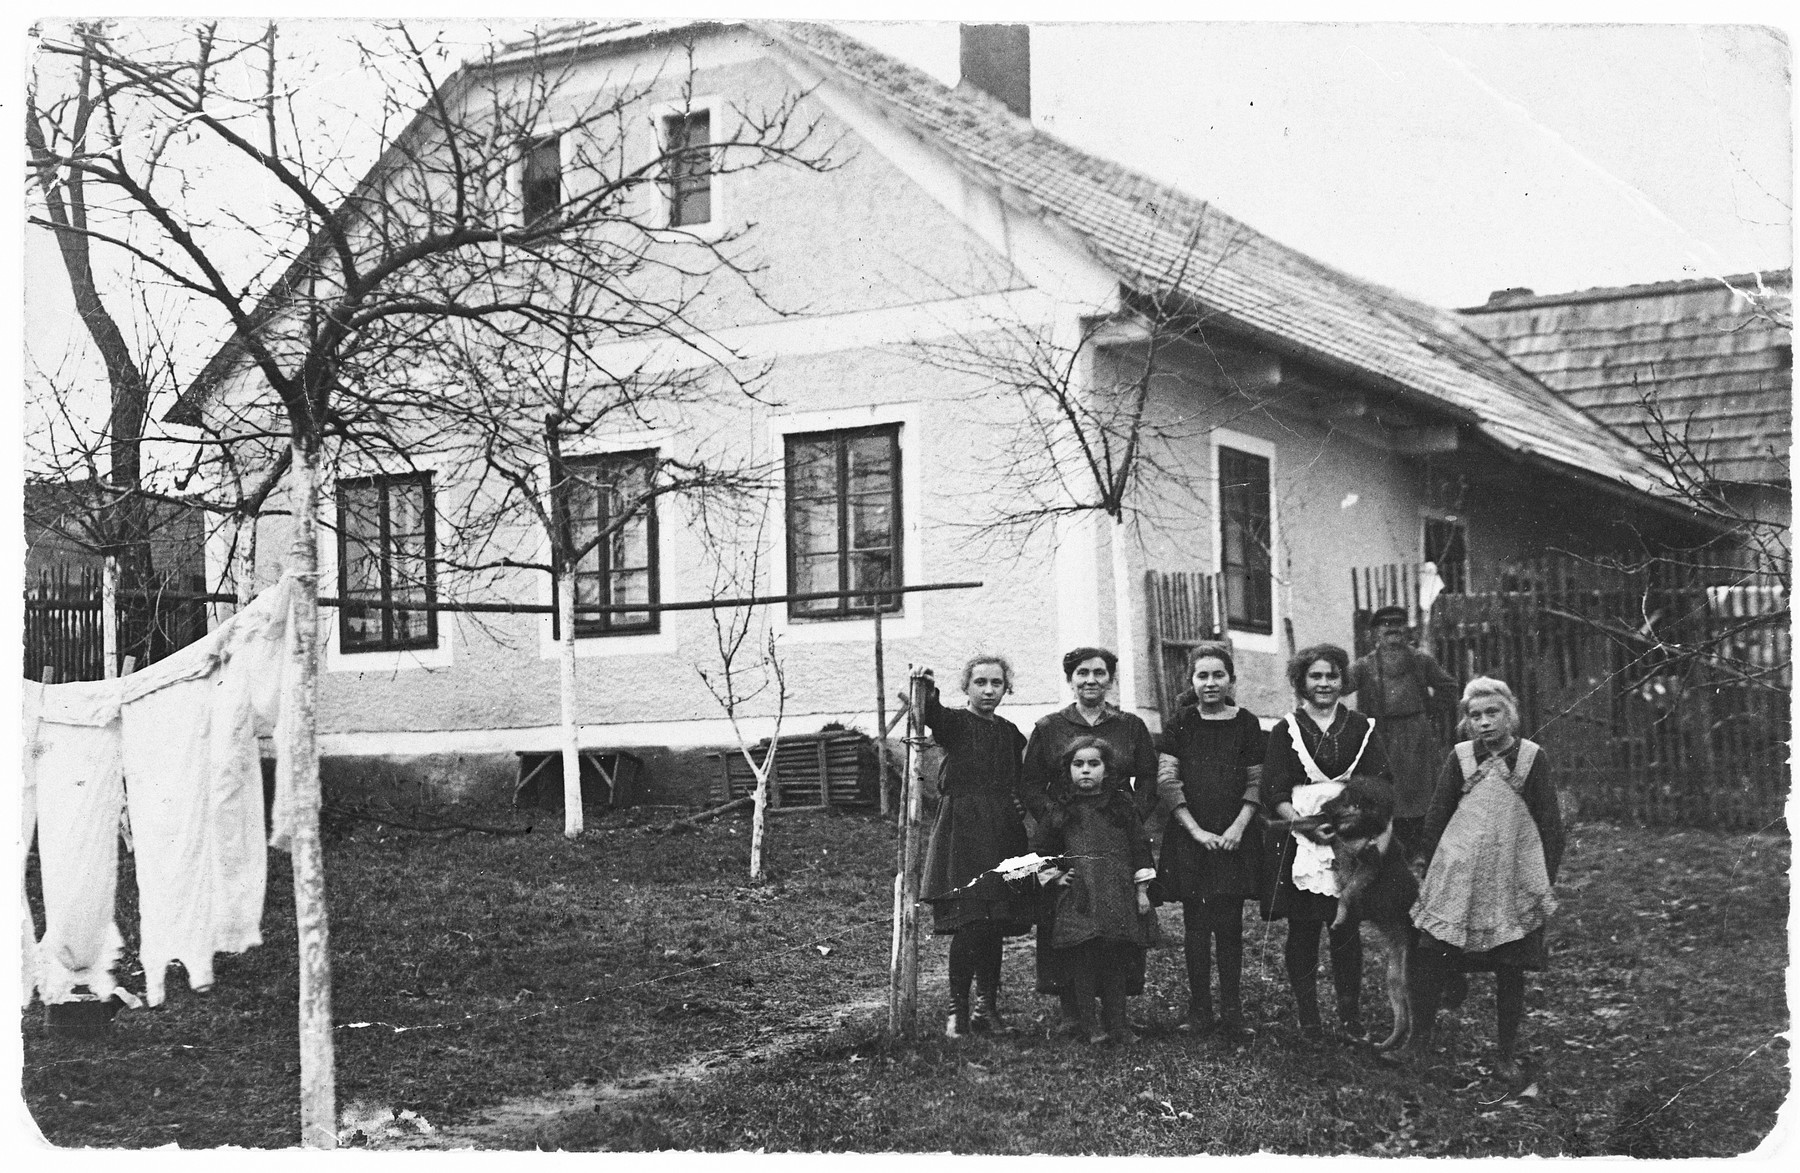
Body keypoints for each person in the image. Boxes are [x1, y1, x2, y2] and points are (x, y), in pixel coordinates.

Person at [1410, 677, 1565, 1079]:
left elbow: (1550, 825)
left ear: (1509, 714)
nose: (1484, 723)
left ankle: (1506, 1054)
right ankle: (1420, 1045)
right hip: (1459, 881)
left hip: (1512, 882)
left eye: (1492, 713)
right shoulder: (1460, 757)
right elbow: (1436, 818)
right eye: (1475, 715)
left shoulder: (1532, 758)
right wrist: (1436, 872)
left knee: (1510, 968)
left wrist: (1540, 880)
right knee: (1433, 958)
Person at [1261, 643, 1393, 1041]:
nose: (1324, 684)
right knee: (1303, 930)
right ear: (1302, 681)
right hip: (1303, 841)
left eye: (1331, 676)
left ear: (1343, 680)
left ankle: (1350, 1017)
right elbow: (1274, 790)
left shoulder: (1361, 728)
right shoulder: (1287, 729)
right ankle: (1308, 1016)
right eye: (1315, 676)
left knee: (1345, 928)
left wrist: (1355, 823)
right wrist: (1303, 825)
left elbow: (1379, 784)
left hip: (1348, 838)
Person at [1021, 647, 1158, 1028]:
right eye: (1082, 673)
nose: (1091, 680)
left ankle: (1117, 1012)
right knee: (1068, 920)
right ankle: (1071, 1011)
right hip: (1067, 834)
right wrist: (1055, 818)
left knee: (1118, 921)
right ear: (1071, 679)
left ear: (1111, 679)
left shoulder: (1129, 726)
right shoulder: (1050, 727)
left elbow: (1148, 778)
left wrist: (1128, 817)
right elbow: (1030, 783)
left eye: (1099, 673)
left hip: (1113, 830)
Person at [916, 655, 1034, 1038]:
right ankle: (957, 1011)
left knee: (995, 922)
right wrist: (925, 683)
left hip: (1002, 833)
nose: (988, 690)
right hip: (963, 832)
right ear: (966, 686)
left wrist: (1018, 807)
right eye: (980, 682)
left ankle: (987, 1008)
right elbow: (929, 710)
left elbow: (1018, 780)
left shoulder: (1010, 732)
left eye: (996, 683)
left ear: (1006, 688)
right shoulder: (955, 724)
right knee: (970, 922)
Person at [1152, 642, 1264, 1039]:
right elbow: (1167, 780)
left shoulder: (1248, 724)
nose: (1211, 683)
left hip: (1235, 836)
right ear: (1192, 681)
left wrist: (1237, 828)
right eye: (1203, 675)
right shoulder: (1181, 722)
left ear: (1231, 680)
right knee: (1196, 926)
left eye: (1219, 675)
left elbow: (1256, 780)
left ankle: (1232, 1011)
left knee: (1230, 926)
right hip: (1190, 837)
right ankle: (1199, 1009)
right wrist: (1196, 830)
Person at [1031, 737, 1156, 1044]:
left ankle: (1118, 1023)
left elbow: (1140, 848)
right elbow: (1041, 849)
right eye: (1078, 765)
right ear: (1068, 770)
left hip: (1116, 892)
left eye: (1093, 764)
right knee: (1083, 959)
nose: (1085, 771)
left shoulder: (1121, 806)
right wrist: (1054, 876)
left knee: (1115, 959)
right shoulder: (1060, 810)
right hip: (1080, 896)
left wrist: (1142, 892)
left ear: (1107, 769)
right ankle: (1090, 1024)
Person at [1346, 605, 1459, 858]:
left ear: (1406, 630)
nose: (1393, 631)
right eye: (1386, 626)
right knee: (1384, 793)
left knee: (1421, 794)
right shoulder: (1365, 665)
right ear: (1376, 633)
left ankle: (1423, 851)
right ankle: (1391, 851)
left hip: (1417, 737)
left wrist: (1431, 711)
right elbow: (1341, 686)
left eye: (1398, 625)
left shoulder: (1421, 661)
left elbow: (1449, 687)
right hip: (1382, 735)